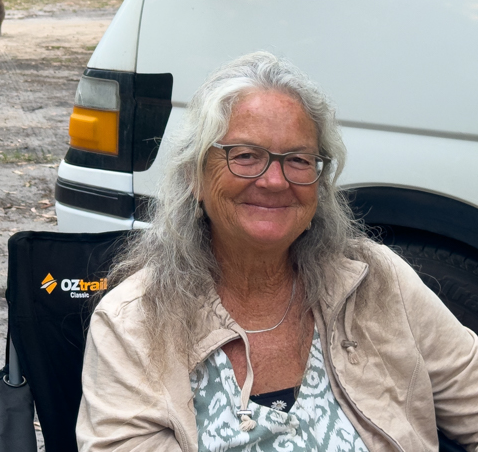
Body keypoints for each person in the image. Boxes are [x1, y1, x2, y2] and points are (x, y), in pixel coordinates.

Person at [76, 52, 478, 451]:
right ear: (195, 177)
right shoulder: (134, 323)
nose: (274, 180)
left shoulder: (378, 281)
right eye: (246, 155)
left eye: (298, 160)